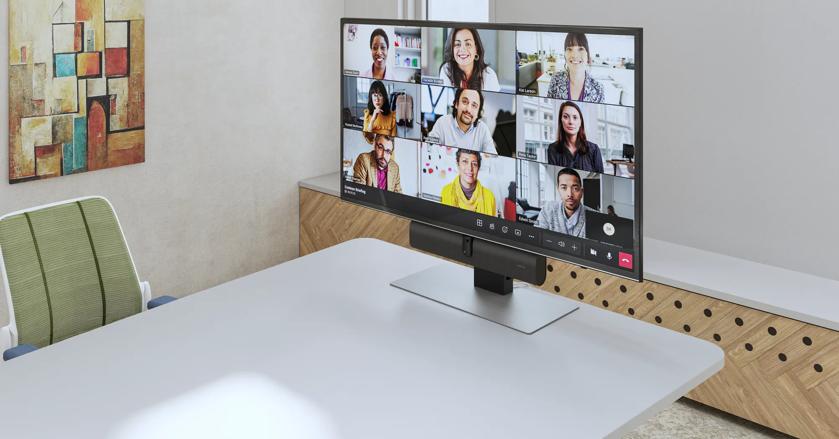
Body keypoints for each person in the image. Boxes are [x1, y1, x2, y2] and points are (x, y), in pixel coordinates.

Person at [427, 88, 497, 154]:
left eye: (474, 105)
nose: (468, 110)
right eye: (465, 102)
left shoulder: (483, 129)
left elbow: (493, 158)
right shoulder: (442, 123)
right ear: (456, 104)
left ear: (478, 113)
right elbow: (429, 148)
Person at [547, 101, 604, 172]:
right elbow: (553, 178)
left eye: (575, 117)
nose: (571, 122)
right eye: (566, 117)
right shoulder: (553, 149)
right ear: (561, 121)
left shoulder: (594, 149)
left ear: (580, 122)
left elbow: (599, 180)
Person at [546, 32, 604, 103]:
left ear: (587, 54)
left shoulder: (598, 89)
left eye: (580, 49)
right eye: (570, 49)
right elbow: (549, 110)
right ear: (565, 54)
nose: (575, 55)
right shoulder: (555, 80)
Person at [440, 149, 496, 215]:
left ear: (478, 168)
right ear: (458, 165)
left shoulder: (489, 196)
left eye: (474, 164)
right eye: (465, 161)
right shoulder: (446, 191)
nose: (470, 168)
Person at [535, 168, 587, 237]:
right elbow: (537, 237)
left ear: (582, 192)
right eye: (564, 188)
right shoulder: (547, 210)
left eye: (575, 188)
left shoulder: (593, 217)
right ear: (558, 190)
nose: (570, 194)